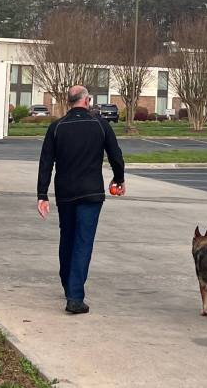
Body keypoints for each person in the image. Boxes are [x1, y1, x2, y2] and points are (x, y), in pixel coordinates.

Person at [36, 85, 125, 314]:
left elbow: (46, 162)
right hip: (91, 193)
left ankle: (68, 285)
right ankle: (75, 297)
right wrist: (119, 179)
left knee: (67, 239)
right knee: (83, 242)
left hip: (65, 193)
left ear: (70, 101)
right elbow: (116, 156)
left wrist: (42, 195)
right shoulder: (100, 125)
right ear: (86, 101)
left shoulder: (57, 127)